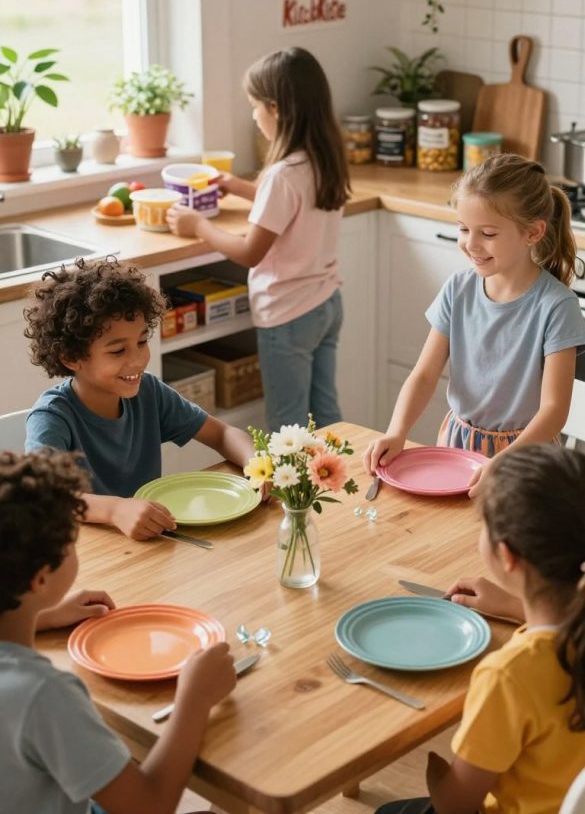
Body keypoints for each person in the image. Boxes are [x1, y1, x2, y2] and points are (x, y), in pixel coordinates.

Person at [0, 448, 236, 814]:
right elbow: (149, 806)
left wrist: (41, 613)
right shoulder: (43, 694)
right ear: (41, 578)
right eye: (71, 542)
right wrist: (194, 700)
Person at [376, 444, 585, 814]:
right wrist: (511, 605)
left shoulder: (509, 676)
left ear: (506, 555)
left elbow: (454, 804)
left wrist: (435, 768)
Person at [364, 154, 585, 494]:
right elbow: (423, 376)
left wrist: (505, 460)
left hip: (526, 457)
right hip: (457, 444)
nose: (471, 244)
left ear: (533, 232)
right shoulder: (458, 288)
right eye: (464, 229)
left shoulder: (557, 306)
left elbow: (554, 409)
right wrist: (396, 431)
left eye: (488, 233)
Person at [166, 46, 351, 432]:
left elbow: (251, 251)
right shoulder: (324, 157)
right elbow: (297, 208)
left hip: (288, 315)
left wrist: (198, 225)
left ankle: (290, 492)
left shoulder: (283, 174)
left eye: (255, 107)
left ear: (276, 109)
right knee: (327, 417)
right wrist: (239, 187)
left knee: (288, 424)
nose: (254, 116)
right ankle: (336, 484)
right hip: (326, 303)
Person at [24, 257, 254, 540]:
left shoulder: (149, 392)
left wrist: (255, 464)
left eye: (142, 342)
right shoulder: (53, 416)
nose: (137, 360)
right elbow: (45, 496)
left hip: (151, 541)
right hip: (86, 551)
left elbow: (222, 434)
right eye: (118, 351)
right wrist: (114, 511)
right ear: (71, 357)